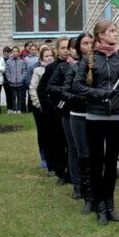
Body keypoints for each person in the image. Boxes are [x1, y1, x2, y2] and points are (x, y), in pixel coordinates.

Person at [72, 20, 119, 225]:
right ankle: (99, 206)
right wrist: (100, 93)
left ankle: (110, 205)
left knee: (111, 163)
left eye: (115, 31)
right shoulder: (90, 59)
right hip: (95, 117)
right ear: (100, 35)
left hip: (117, 117)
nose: (115, 34)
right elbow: (77, 86)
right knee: (96, 163)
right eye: (111, 31)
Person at [59, 33, 94, 212]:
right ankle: (79, 186)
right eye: (85, 43)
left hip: (96, 115)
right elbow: (65, 92)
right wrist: (83, 98)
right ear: (79, 47)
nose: (88, 47)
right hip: (78, 115)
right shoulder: (73, 68)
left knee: (95, 153)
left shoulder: (98, 65)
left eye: (91, 43)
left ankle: (95, 189)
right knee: (80, 152)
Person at [38, 37, 70, 186]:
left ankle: (72, 172)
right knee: (57, 143)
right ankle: (60, 172)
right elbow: (42, 90)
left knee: (71, 144)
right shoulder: (51, 68)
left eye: (68, 47)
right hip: (55, 112)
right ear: (57, 50)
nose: (66, 51)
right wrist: (52, 107)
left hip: (71, 111)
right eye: (62, 48)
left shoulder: (75, 66)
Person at [29, 47, 54, 171]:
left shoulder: (56, 69)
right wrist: (39, 104)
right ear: (41, 59)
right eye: (46, 56)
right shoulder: (38, 71)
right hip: (40, 107)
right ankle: (44, 157)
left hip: (53, 107)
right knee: (42, 132)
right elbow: (33, 89)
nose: (49, 58)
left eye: (51, 55)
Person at [5, 46, 27, 114]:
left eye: (16, 51)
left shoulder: (22, 61)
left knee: (19, 97)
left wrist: (22, 78)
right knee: (13, 97)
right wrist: (9, 79)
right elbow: (7, 71)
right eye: (14, 51)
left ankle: (19, 109)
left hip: (20, 82)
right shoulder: (8, 61)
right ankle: (14, 109)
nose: (15, 53)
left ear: (18, 52)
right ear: (12, 52)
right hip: (12, 83)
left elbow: (24, 71)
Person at [2, 46, 14, 113]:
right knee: (8, 94)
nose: (6, 54)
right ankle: (9, 108)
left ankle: (13, 107)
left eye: (8, 52)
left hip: (12, 80)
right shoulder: (2, 59)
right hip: (5, 80)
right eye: (5, 52)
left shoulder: (11, 59)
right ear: (3, 53)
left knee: (12, 95)